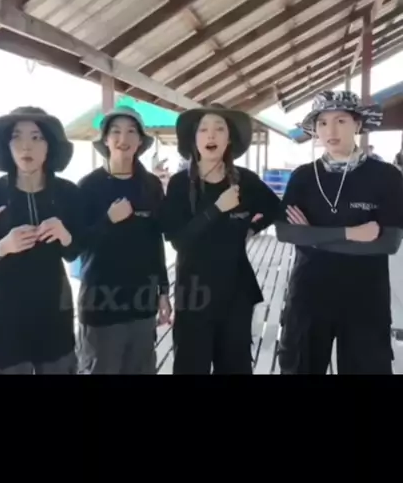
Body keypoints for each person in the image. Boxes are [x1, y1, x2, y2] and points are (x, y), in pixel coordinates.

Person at [276, 90, 403, 375]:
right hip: (309, 293)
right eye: (322, 123)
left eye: (341, 121)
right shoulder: (303, 176)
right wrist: (350, 233)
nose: (330, 131)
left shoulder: (386, 176)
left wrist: (313, 237)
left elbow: (388, 243)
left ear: (357, 124)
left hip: (365, 297)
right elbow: (285, 232)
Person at [161, 104, 280, 375]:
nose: (211, 135)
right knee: (191, 365)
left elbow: (275, 208)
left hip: (236, 290)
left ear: (229, 139)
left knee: (236, 365)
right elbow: (179, 241)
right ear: (194, 139)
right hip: (194, 294)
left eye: (219, 129)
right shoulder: (180, 184)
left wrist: (252, 228)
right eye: (203, 129)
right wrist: (217, 208)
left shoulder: (245, 180)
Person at [0, 107, 81, 375]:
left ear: (50, 145)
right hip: (2, 322)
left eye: (36, 137)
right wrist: (2, 247)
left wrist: (65, 235)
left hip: (54, 318)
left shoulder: (67, 193)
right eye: (17, 136)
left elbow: (74, 253)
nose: (26, 146)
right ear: (7, 145)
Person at [76, 106, 171, 375]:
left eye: (131, 132)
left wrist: (163, 292)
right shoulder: (88, 186)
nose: (123, 138)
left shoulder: (151, 185)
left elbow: (156, 242)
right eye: (115, 132)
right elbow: (76, 246)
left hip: (142, 305)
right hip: (100, 306)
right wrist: (108, 220)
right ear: (106, 140)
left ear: (140, 141)